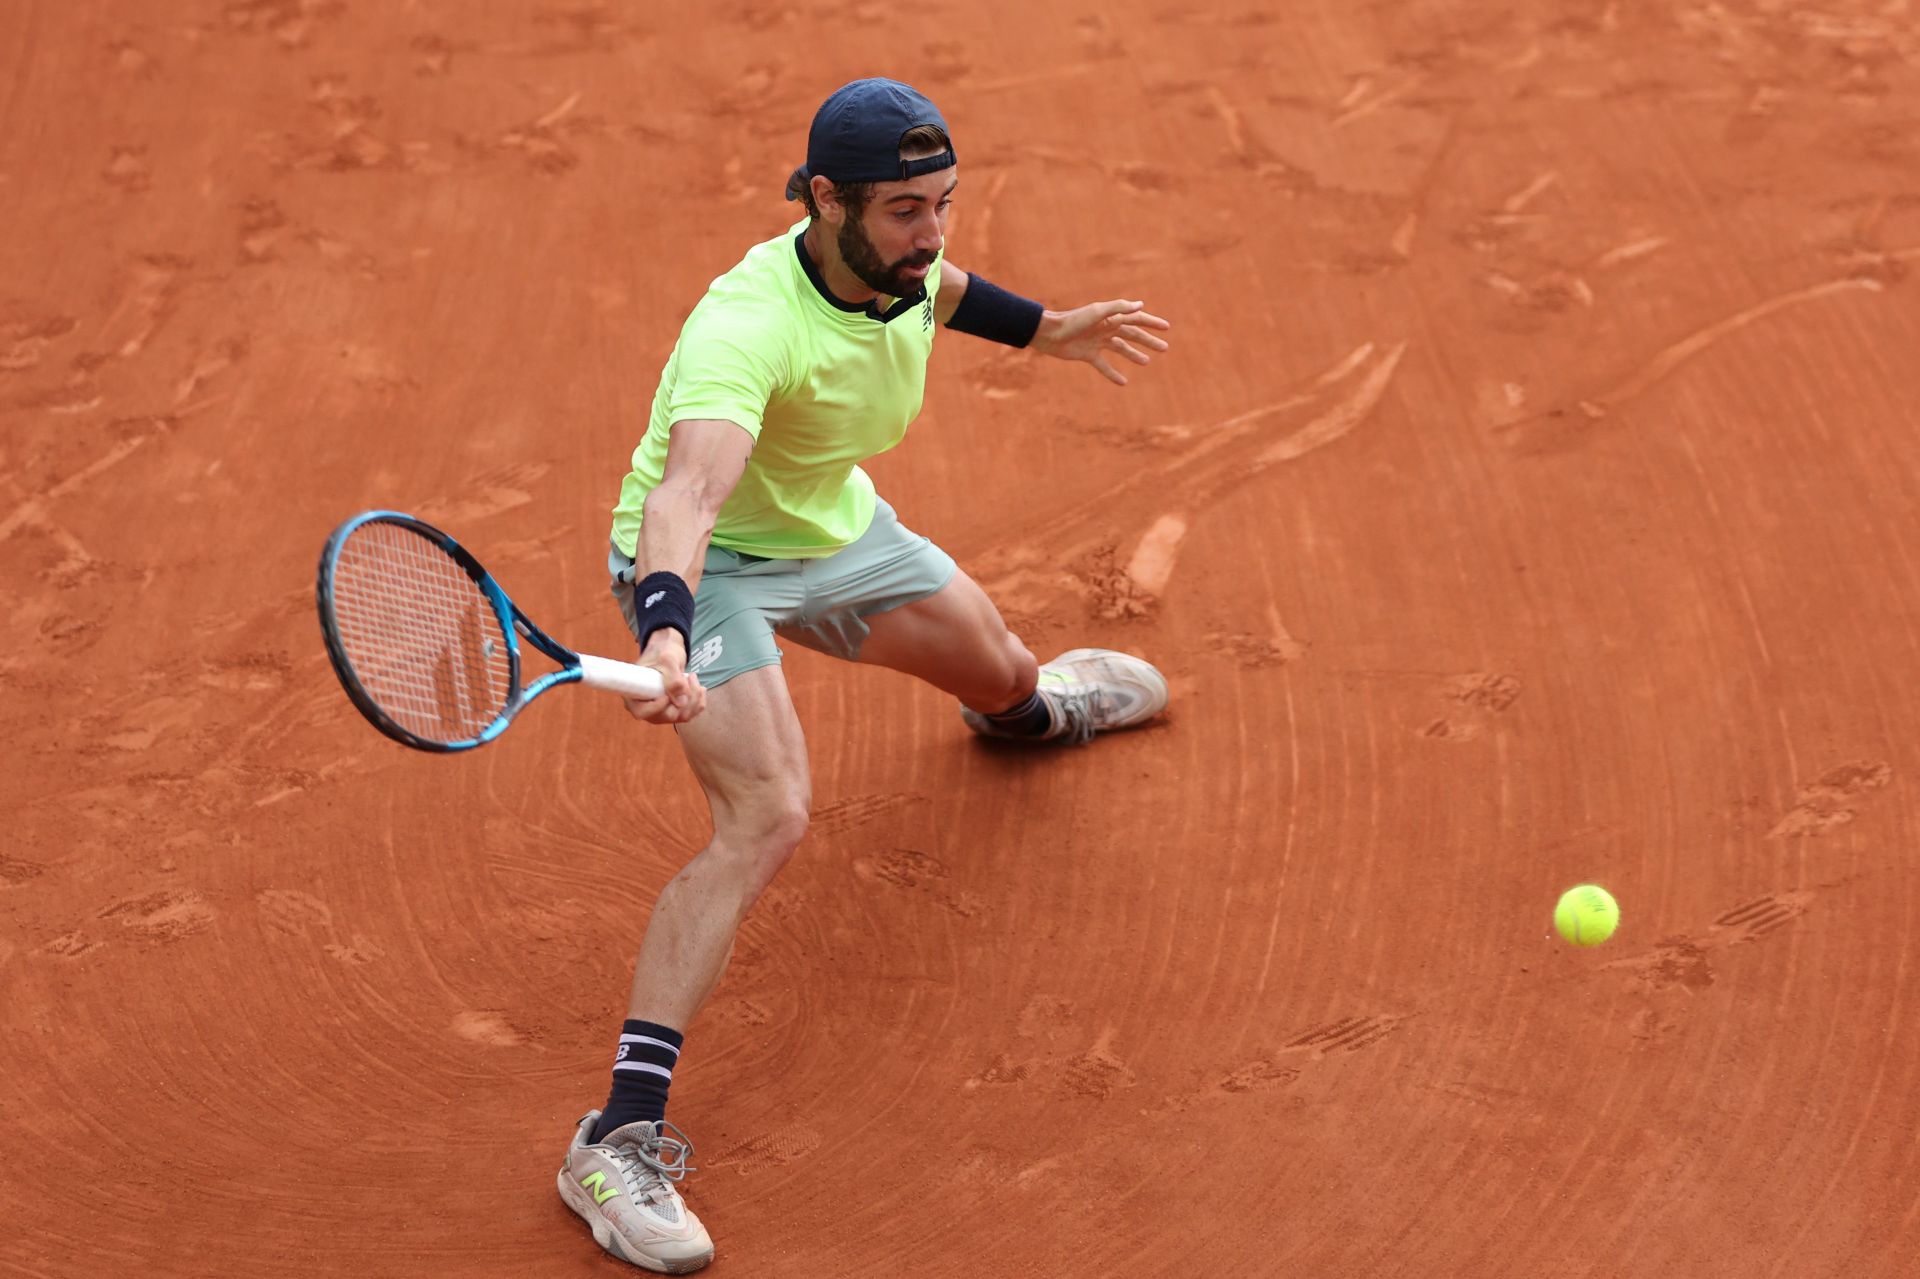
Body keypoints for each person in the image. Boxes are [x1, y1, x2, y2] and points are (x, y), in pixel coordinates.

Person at [555, 77, 1173, 1273]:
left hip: (837, 534)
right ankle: (616, 1138)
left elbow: (940, 292)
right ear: (823, 201)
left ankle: (1031, 716)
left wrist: (1048, 330)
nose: (931, 232)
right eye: (902, 210)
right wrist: (670, 631)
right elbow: (687, 494)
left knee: (1005, 671)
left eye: (943, 202)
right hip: (713, 568)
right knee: (769, 814)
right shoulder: (745, 328)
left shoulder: (897, 267)